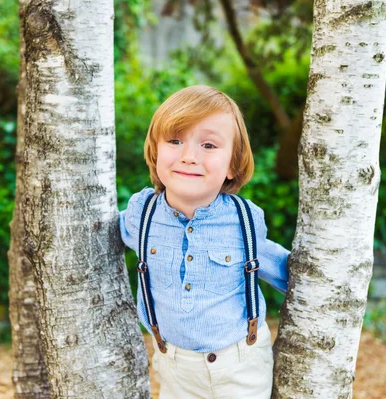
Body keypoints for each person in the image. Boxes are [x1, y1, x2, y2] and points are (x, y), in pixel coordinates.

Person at [119, 85, 290, 398]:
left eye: (209, 145)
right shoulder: (140, 214)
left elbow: (274, 262)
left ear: (232, 166)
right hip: (174, 368)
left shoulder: (244, 220)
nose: (189, 156)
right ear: (156, 153)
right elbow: (106, 232)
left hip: (240, 365)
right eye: (175, 141)